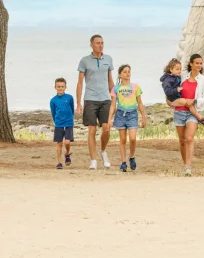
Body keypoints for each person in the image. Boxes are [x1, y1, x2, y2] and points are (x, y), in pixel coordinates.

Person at [76, 34, 114, 170]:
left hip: (105, 99)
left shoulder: (108, 59)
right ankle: (93, 160)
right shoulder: (84, 61)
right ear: (91, 44)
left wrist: (115, 98)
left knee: (106, 128)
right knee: (91, 129)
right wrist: (79, 103)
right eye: (97, 43)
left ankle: (103, 151)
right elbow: (80, 83)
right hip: (90, 99)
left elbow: (110, 80)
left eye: (102, 43)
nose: (100, 45)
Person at [169, 54, 204, 176]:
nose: (199, 65)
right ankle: (185, 164)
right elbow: (171, 89)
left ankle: (188, 167)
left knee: (189, 138)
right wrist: (170, 100)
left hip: (193, 112)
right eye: (196, 63)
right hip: (179, 111)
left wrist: (195, 101)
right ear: (191, 64)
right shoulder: (182, 77)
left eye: (200, 63)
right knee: (182, 141)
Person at [108, 64, 147, 172]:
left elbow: (140, 103)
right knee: (123, 139)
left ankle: (132, 157)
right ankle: (123, 162)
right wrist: (109, 119)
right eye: (124, 72)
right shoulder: (116, 88)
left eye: (129, 71)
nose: (127, 73)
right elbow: (113, 105)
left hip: (132, 114)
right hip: (120, 114)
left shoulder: (135, 87)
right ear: (120, 75)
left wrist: (143, 117)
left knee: (133, 138)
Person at [160, 58, 204, 126]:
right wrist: (176, 90)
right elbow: (167, 92)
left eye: (180, 69)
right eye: (177, 69)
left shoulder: (176, 76)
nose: (179, 71)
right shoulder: (167, 80)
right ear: (171, 69)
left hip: (177, 97)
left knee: (189, 104)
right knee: (188, 102)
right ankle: (200, 118)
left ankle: (197, 120)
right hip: (173, 98)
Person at [50, 77, 75, 170]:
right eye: (58, 86)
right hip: (59, 124)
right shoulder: (53, 100)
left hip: (68, 123)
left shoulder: (69, 97)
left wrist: (70, 120)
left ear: (65, 87)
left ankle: (67, 154)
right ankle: (59, 162)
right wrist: (56, 122)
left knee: (67, 142)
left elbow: (72, 109)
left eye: (62, 86)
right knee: (59, 144)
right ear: (55, 87)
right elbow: (53, 113)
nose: (60, 88)